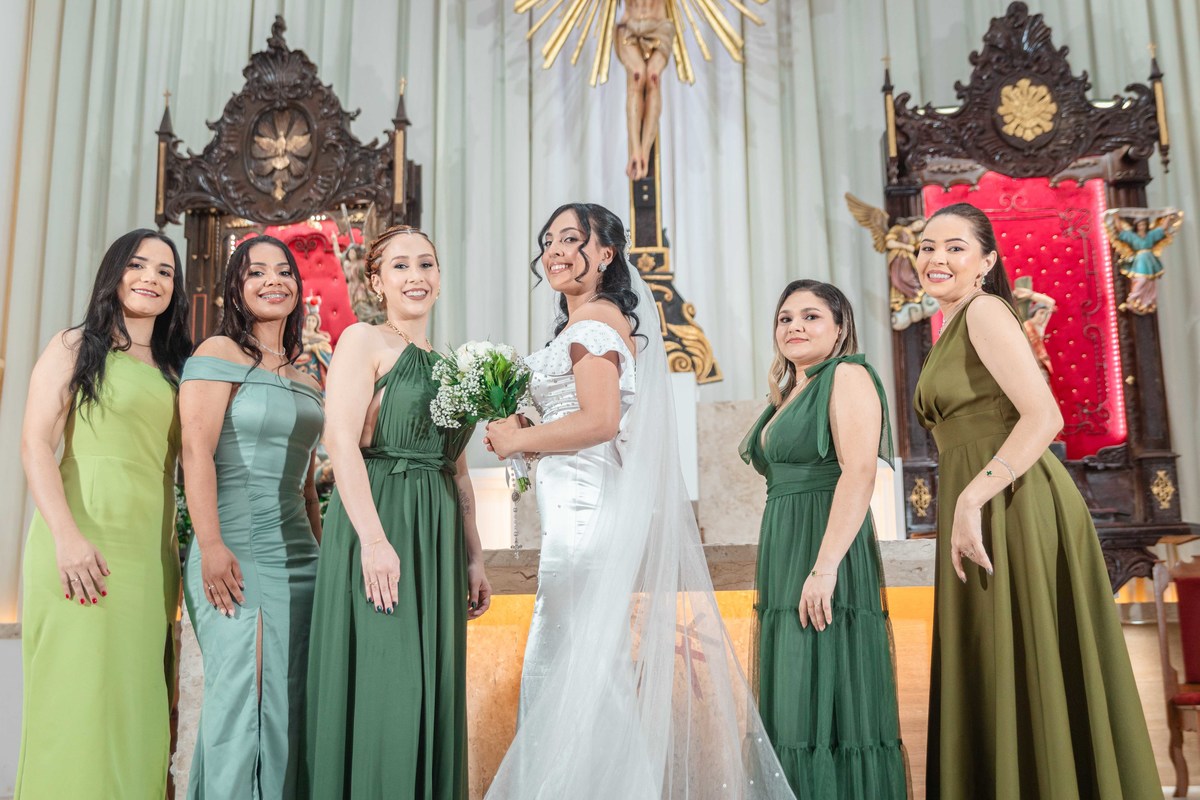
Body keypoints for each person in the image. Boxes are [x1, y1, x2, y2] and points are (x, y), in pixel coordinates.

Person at [482, 202, 793, 798]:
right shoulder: (587, 323)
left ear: (605, 254)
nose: (555, 251)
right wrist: (526, 431)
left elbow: (600, 422)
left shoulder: (595, 324)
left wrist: (518, 439)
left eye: (571, 239)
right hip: (577, 508)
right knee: (585, 663)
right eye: (548, 240)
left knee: (572, 658)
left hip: (584, 516)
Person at [914, 202, 1161, 799]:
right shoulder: (952, 324)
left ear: (986, 261)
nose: (936, 258)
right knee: (999, 657)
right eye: (926, 247)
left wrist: (971, 499)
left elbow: (1044, 417)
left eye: (954, 247)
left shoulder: (984, 311)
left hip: (1013, 502)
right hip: (985, 499)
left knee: (1024, 655)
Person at [303, 225, 492, 799]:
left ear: (440, 277)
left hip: (436, 536)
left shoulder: (454, 363)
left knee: (431, 687)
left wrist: (474, 557)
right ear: (376, 282)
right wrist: (373, 540)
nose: (416, 276)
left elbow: (458, 468)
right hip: (380, 520)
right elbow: (339, 439)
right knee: (389, 685)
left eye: (426, 264)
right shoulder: (363, 340)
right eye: (401, 266)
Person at [17, 229, 191, 798]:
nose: (151, 278)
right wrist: (67, 538)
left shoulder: (177, 368)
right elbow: (35, 445)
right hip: (79, 542)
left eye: (165, 271)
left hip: (148, 557)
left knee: (138, 710)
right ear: (114, 273)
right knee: (75, 704)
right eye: (138, 265)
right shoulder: (75, 345)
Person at [740, 279, 908, 799]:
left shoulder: (847, 375)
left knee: (827, 694)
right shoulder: (792, 390)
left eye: (811, 316)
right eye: (785, 318)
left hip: (824, 549)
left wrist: (825, 566)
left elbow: (859, 472)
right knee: (795, 695)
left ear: (839, 329)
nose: (795, 326)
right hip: (786, 551)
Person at [179, 235, 324, 798]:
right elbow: (195, 451)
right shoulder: (218, 353)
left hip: (302, 557)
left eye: (283, 271)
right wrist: (211, 545)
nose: (272, 281)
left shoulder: (307, 377)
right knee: (244, 698)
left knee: (292, 700)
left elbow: (307, 485)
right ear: (235, 289)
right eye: (256, 272)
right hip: (233, 546)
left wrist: (323, 554)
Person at [614, 0, 673, 179]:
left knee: (653, 78)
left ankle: (644, 154)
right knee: (637, 76)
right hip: (629, 28)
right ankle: (635, 151)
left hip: (659, 28)